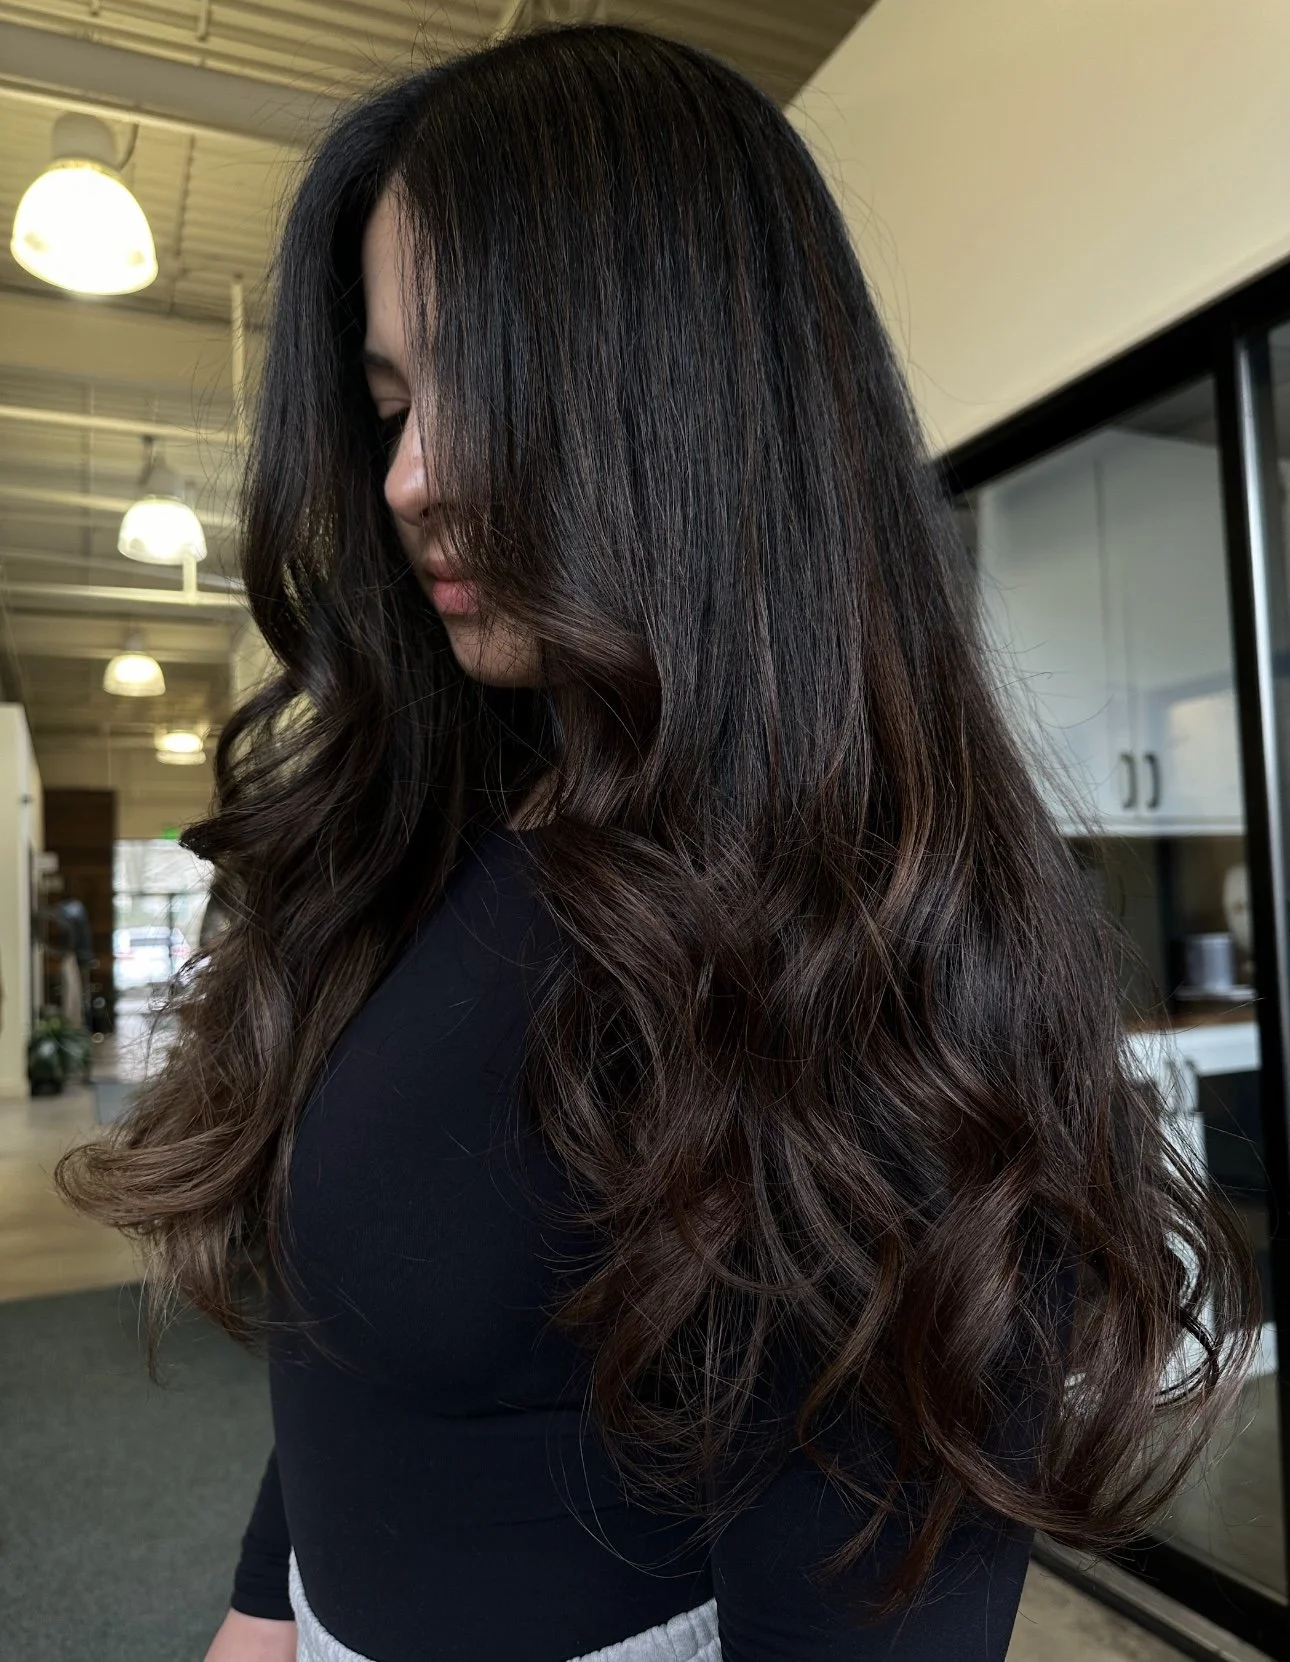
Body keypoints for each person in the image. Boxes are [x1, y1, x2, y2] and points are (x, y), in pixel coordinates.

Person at [56, 24, 1258, 1662]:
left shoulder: (852, 966)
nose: (405, 477)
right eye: (387, 402)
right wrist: (266, 1607)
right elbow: (367, 1336)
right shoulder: (435, 824)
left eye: (477, 387)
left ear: (690, 402)